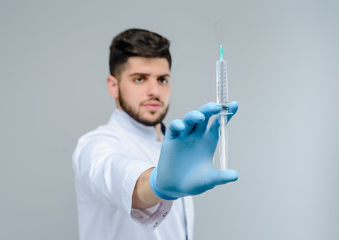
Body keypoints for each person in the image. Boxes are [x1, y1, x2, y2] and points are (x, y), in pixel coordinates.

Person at [72, 28, 239, 240]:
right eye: (140, 79)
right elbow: (116, 172)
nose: (155, 91)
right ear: (113, 86)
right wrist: (157, 184)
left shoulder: (176, 143)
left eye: (162, 79)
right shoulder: (94, 146)